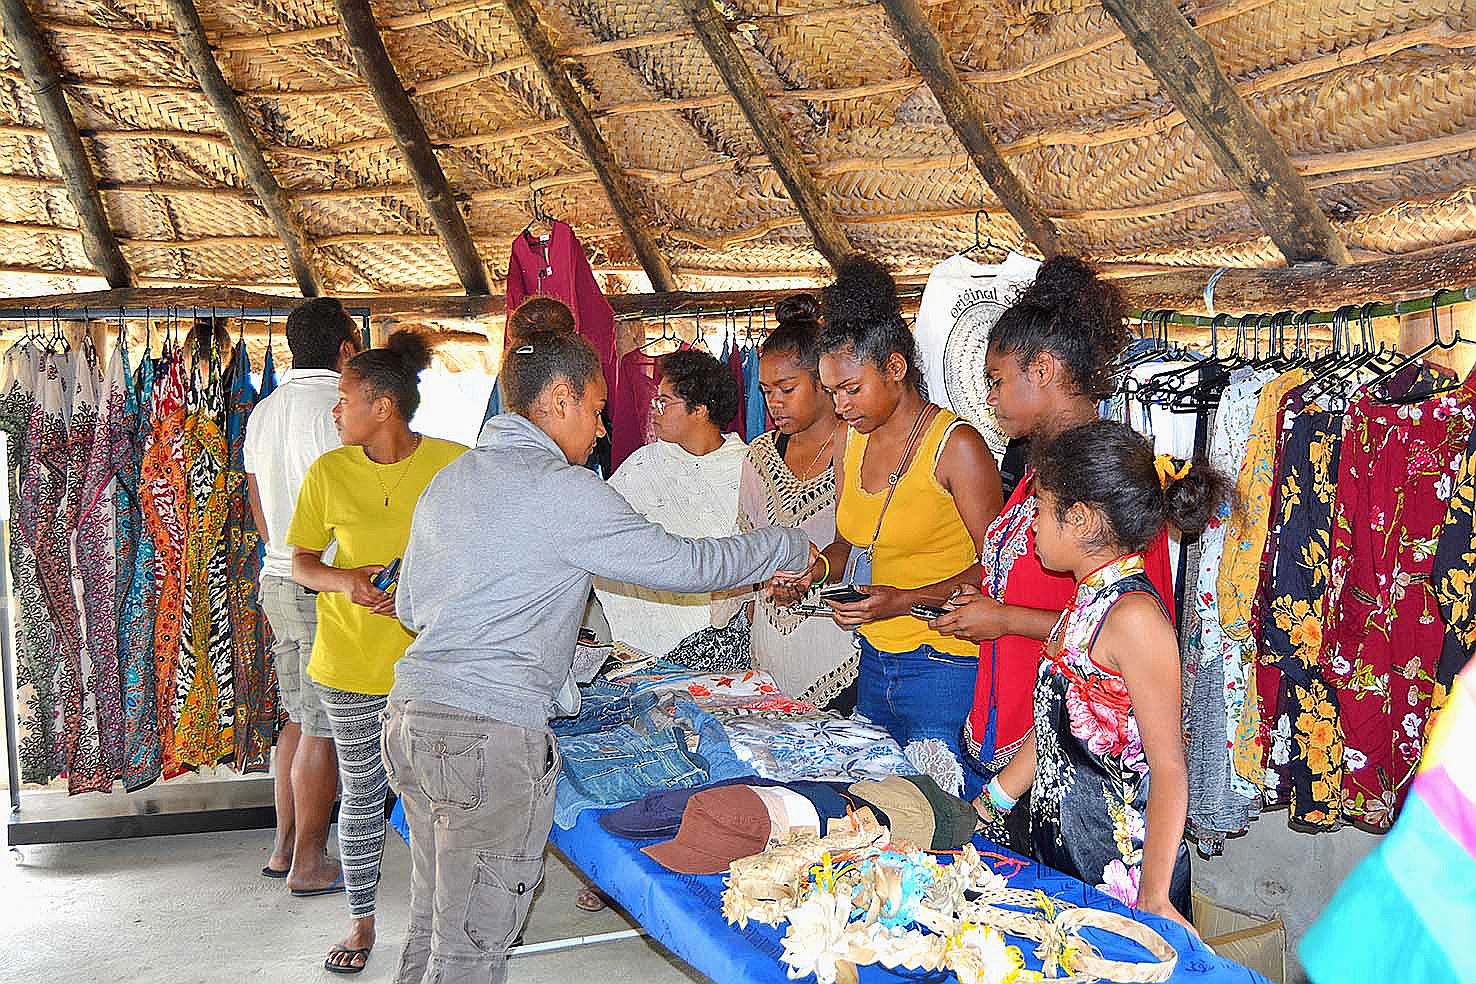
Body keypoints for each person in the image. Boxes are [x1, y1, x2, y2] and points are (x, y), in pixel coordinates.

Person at [384, 330, 812, 984]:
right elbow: (684, 563)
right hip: (487, 736)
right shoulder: (565, 490)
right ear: (559, 399)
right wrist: (783, 545)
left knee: (435, 924)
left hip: (412, 720)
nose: (604, 424)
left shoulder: (451, 479)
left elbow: (412, 607)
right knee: (471, 947)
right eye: (595, 407)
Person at [927, 256, 1178, 800]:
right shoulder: (1040, 473)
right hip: (1007, 727)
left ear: (1040, 371)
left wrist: (1004, 617)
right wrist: (983, 597)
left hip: (1068, 761)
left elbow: (1138, 628)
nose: (990, 398)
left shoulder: (1108, 478)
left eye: (996, 380)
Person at [975, 420, 1226, 931]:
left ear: (1082, 519)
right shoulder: (1087, 598)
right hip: (1063, 851)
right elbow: (1055, 726)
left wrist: (1154, 896)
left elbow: (1170, 767)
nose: (1032, 527)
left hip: (1120, 874)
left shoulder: (1134, 618)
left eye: (1040, 512)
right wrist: (995, 798)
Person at [775, 255, 1002, 798]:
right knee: (884, 816)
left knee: (946, 821)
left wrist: (906, 599)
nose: (841, 405)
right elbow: (852, 539)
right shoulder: (850, 440)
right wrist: (815, 571)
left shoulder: (957, 448)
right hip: (875, 664)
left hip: (945, 667)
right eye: (831, 392)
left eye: (851, 389)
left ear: (896, 369)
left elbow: (999, 569)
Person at [287, 331, 468, 975]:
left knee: (440, 799)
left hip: (434, 668)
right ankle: (361, 921)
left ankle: (449, 922)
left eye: (344, 399)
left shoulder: (455, 464)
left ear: (383, 406)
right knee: (363, 794)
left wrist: (421, 594)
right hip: (349, 666)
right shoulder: (328, 472)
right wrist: (347, 580)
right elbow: (302, 560)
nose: (336, 411)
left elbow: (479, 555)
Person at [245, 298, 362, 892]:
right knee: (324, 725)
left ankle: (284, 847)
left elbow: (259, 501)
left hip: (276, 576)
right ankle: (312, 863)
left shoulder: (264, 411)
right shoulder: (337, 411)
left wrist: (283, 557)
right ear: (345, 349)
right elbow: (347, 505)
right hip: (324, 581)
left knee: (295, 716)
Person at [725, 294, 858, 710]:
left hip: (842, 649)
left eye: (787, 388)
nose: (774, 402)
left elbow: (857, 544)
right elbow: (747, 545)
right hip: (771, 651)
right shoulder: (759, 455)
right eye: (766, 391)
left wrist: (814, 574)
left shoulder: (858, 448)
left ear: (823, 383)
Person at [594, 347, 749, 656]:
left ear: (700, 410)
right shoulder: (642, 467)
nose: (654, 410)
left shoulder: (746, 467)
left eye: (664, 402)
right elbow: (602, 537)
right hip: (644, 646)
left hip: (725, 643)